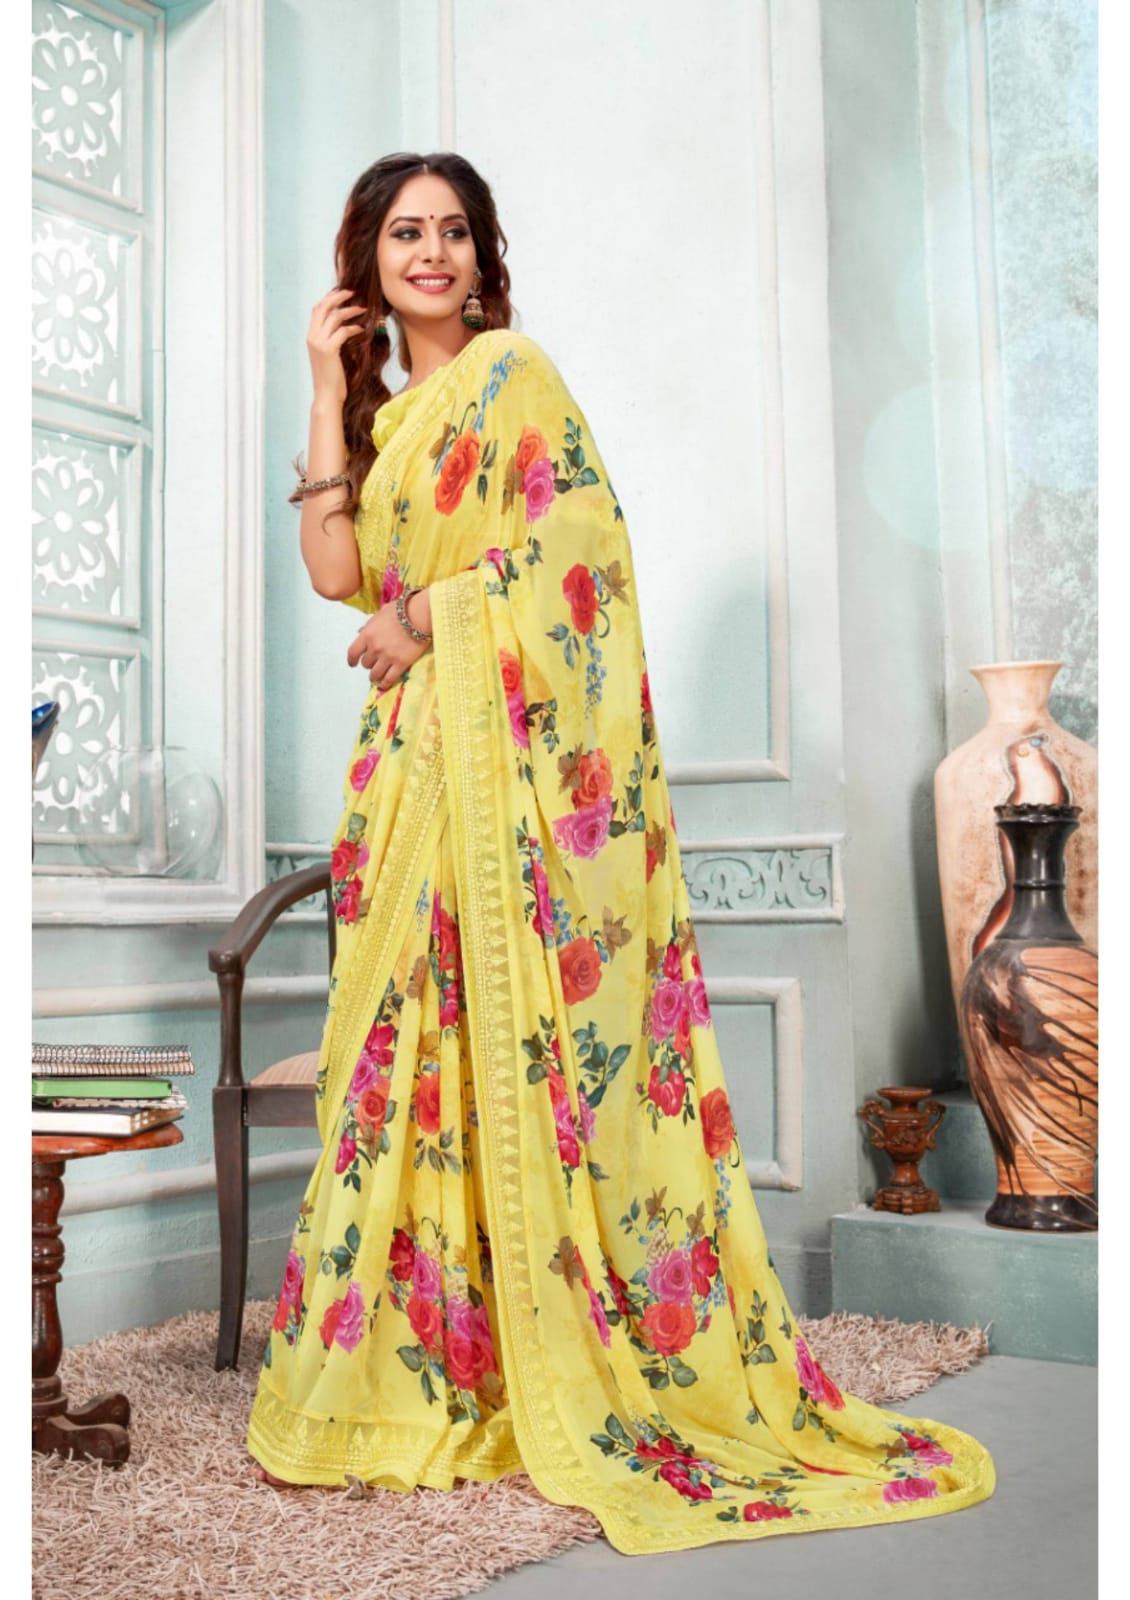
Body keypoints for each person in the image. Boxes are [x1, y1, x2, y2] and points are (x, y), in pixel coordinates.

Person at [245, 151, 995, 1554]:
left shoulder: (513, 378)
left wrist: (434, 617)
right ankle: (418, 1374)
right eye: (404, 233)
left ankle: (543, 1367)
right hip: (405, 787)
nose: (430, 252)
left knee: (498, 1060)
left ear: (482, 258)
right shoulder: (388, 417)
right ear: (369, 262)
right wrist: (319, 381)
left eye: (452, 232)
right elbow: (337, 574)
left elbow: (578, 552)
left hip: (499, 780)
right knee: (402, 1065)